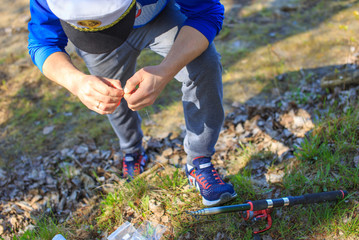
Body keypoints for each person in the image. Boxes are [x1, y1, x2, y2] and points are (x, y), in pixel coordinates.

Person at [28, 0, 237, 207]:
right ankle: (132, 151)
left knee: (204, 63)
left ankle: (199, 162)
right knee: (108, 95)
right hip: (93, 44)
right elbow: (42, 42)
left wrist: (166, 70)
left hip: (160, 18)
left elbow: (207, 13)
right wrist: (75, 82)